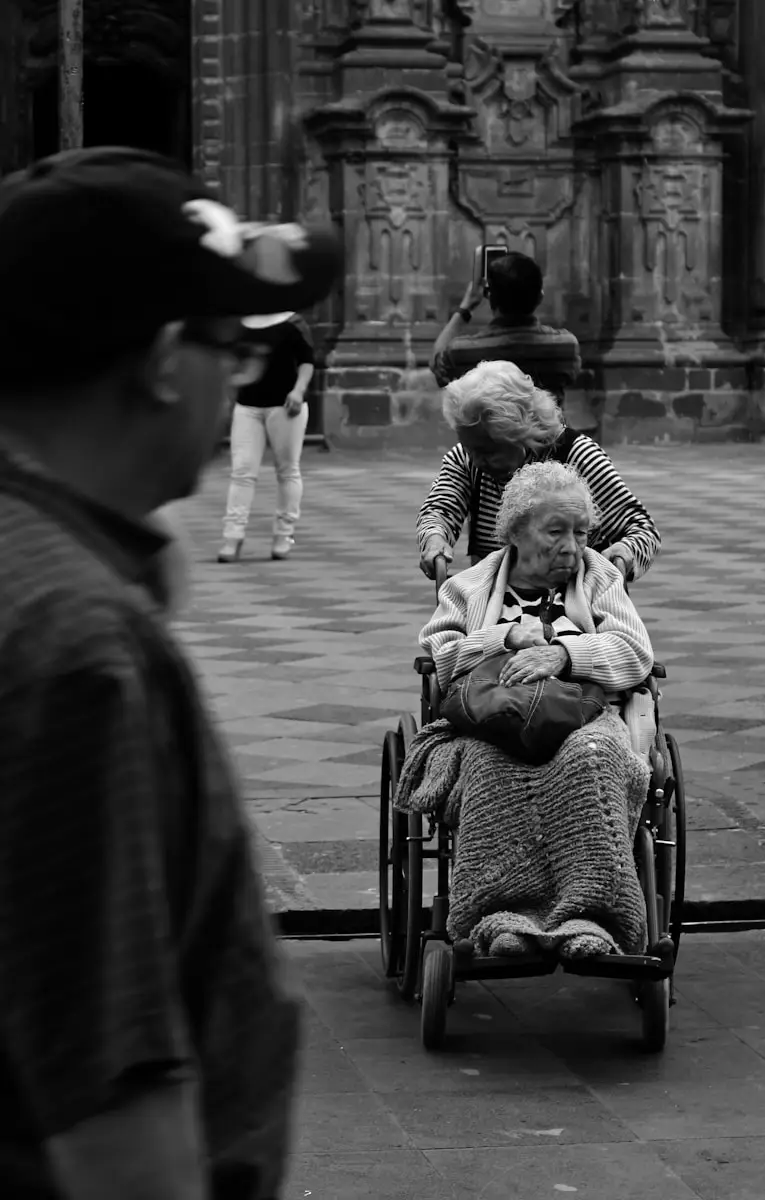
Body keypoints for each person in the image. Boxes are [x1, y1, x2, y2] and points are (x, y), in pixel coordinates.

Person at [0, 146, 343, 1200]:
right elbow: (113, 1090)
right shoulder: (77, 643)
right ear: (159, 361)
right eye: (230, 346)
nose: (240, 372)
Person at [398, 461, 655, 959]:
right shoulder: (469, 586)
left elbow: (635, 652)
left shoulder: (598, 576)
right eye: (555, 531)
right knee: (490, 766)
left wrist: (565, 654)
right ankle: (498, 915)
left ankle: (590, 918)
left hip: (583, 715)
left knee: (594, 755)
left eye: (581, 533)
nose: (571, 546)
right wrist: (506, 637)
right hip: (493, 721)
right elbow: (441, 657)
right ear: (515, 530)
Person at [417, 360, 661, 582]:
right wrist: (435, 539)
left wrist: (624, 552)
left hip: (574, 601)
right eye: (471, 448)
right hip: (493, 600)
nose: (478, 460)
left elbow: (641, 528)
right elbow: (440, 509)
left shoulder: (578, 456)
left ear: (522, 433)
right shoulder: (466, 457)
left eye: (490, 451)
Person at [218, 311, 315, 563]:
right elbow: (231, 361)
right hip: (247, 406)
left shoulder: (292, 322)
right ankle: (232, 536)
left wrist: (298, 390)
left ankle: (284, 534)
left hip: (284, 406)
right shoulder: (241, 322)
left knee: (287, 470)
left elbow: (307, 360)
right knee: (242, 471)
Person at [430, 251, 581, 402]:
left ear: (489, 296)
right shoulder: (565, 346)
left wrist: (465, 307)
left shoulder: (462, 352)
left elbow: (438, 366)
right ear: (540, 296)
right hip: (546, 426)